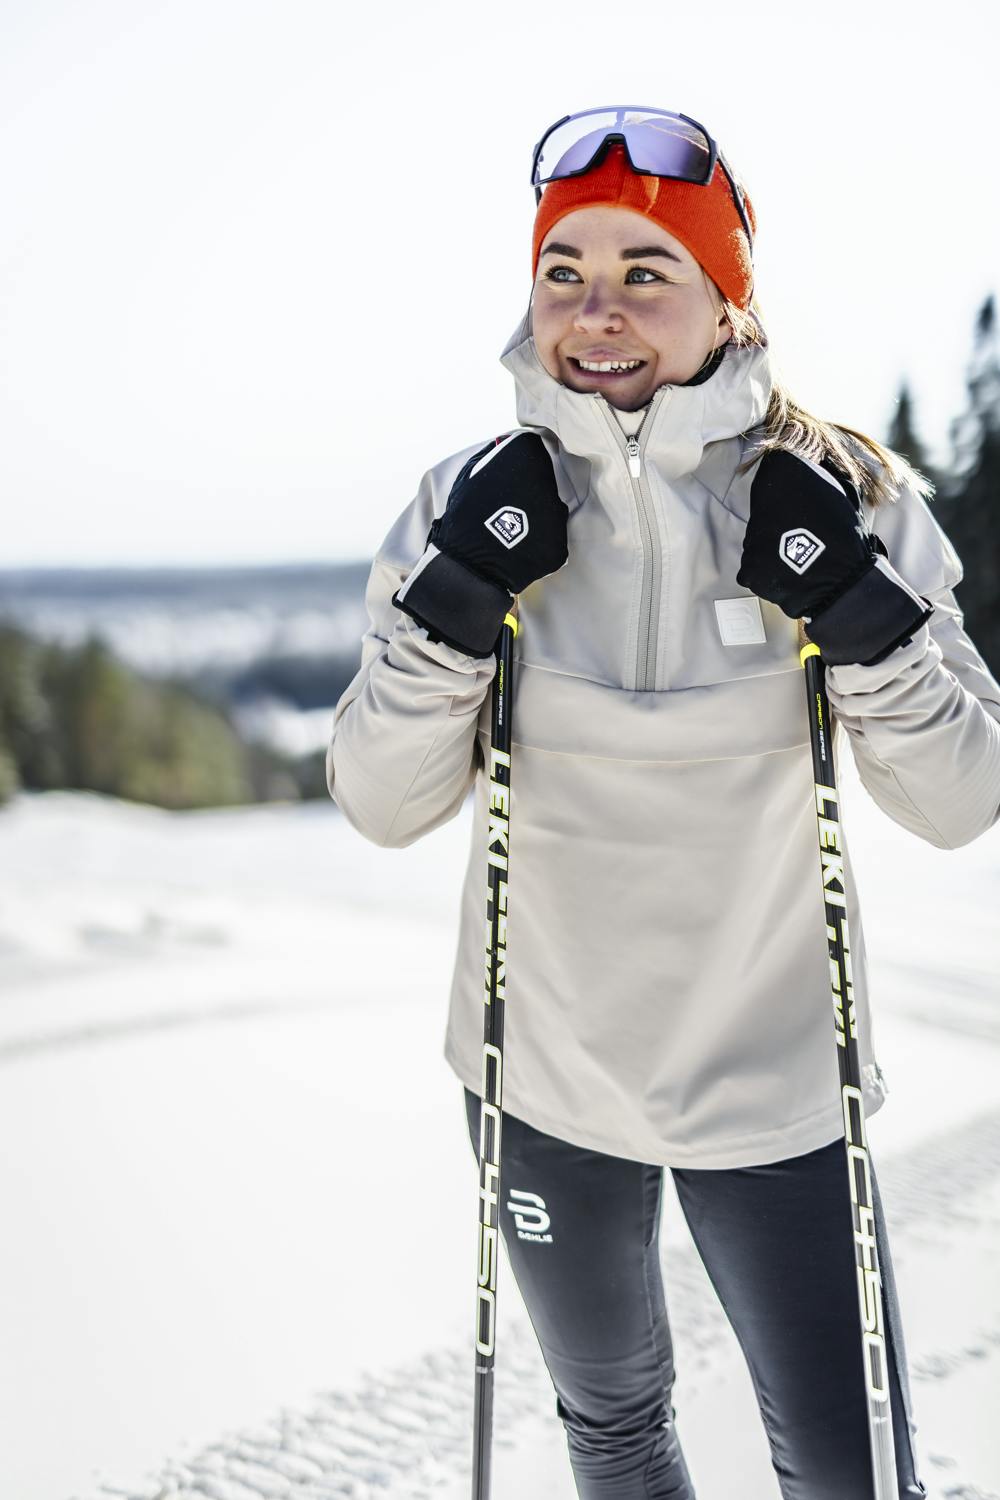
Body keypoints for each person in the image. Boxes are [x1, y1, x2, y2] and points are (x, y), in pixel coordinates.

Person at [326, 106, 1000, 1499]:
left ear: (726, 295)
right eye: (564, 271)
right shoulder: (466, 500)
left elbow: (960, 798)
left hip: (774, 1086)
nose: (599, 311)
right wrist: (454, 606)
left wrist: (860, 618)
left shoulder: (849, 496)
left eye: (648, 270)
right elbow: (382, 803)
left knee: (847, 1464)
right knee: (615, 1433)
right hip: (543, 1079)